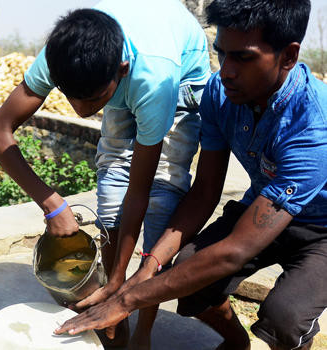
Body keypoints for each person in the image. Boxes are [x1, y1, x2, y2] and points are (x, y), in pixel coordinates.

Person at [56, 1, 327, 349]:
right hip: (264, 206)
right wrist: (150, 264)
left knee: (285, 317)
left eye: (242, 58)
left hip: (321, 229)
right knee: (186, 271)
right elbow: (204, 193)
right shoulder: (220, 95)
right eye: (221, 54)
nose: (226, 71)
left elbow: (236, 250)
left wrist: (126, 300)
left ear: (288, 56)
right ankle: (236, 342)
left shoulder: (314, 126)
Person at [0, 0, 211, 347]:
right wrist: (53, 205)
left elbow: (140, 188)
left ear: (120, 70)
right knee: (109, 208)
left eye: (91, 99)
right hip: (121, 80)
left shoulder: (155, 79)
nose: (81, 110)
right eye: (69, 95)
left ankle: (142, 334)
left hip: (179, 85)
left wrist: (120, 277)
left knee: (159, 208)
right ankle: (116, 328)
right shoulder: (64, 55)